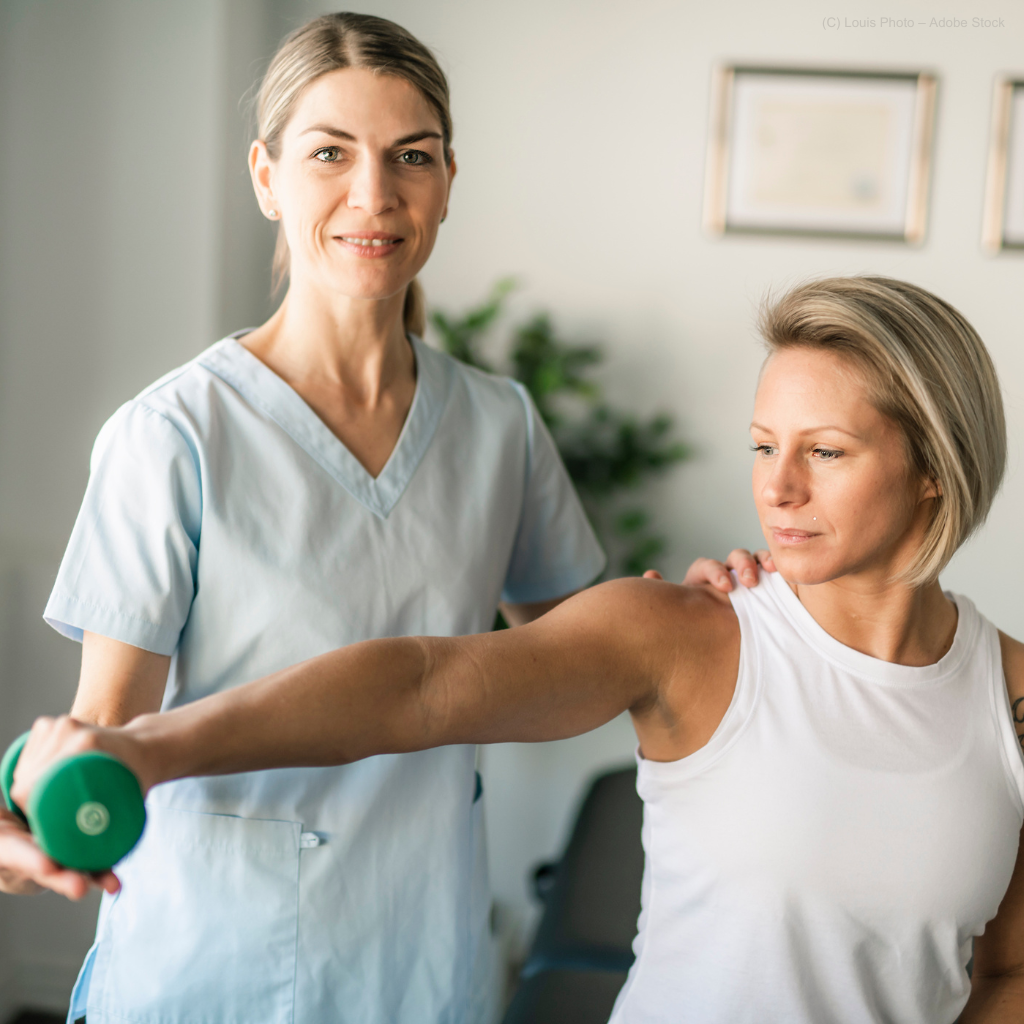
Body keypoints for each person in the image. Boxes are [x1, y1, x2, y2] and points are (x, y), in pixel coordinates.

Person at [15, 275, 1024, 1024]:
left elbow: (1007, 973)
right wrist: (145, 749)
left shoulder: (1011, 695)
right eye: (763, 445)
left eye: (826, 451)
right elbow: (422, 686)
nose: (777, 487)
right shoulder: (685, 633)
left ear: (934, 466)